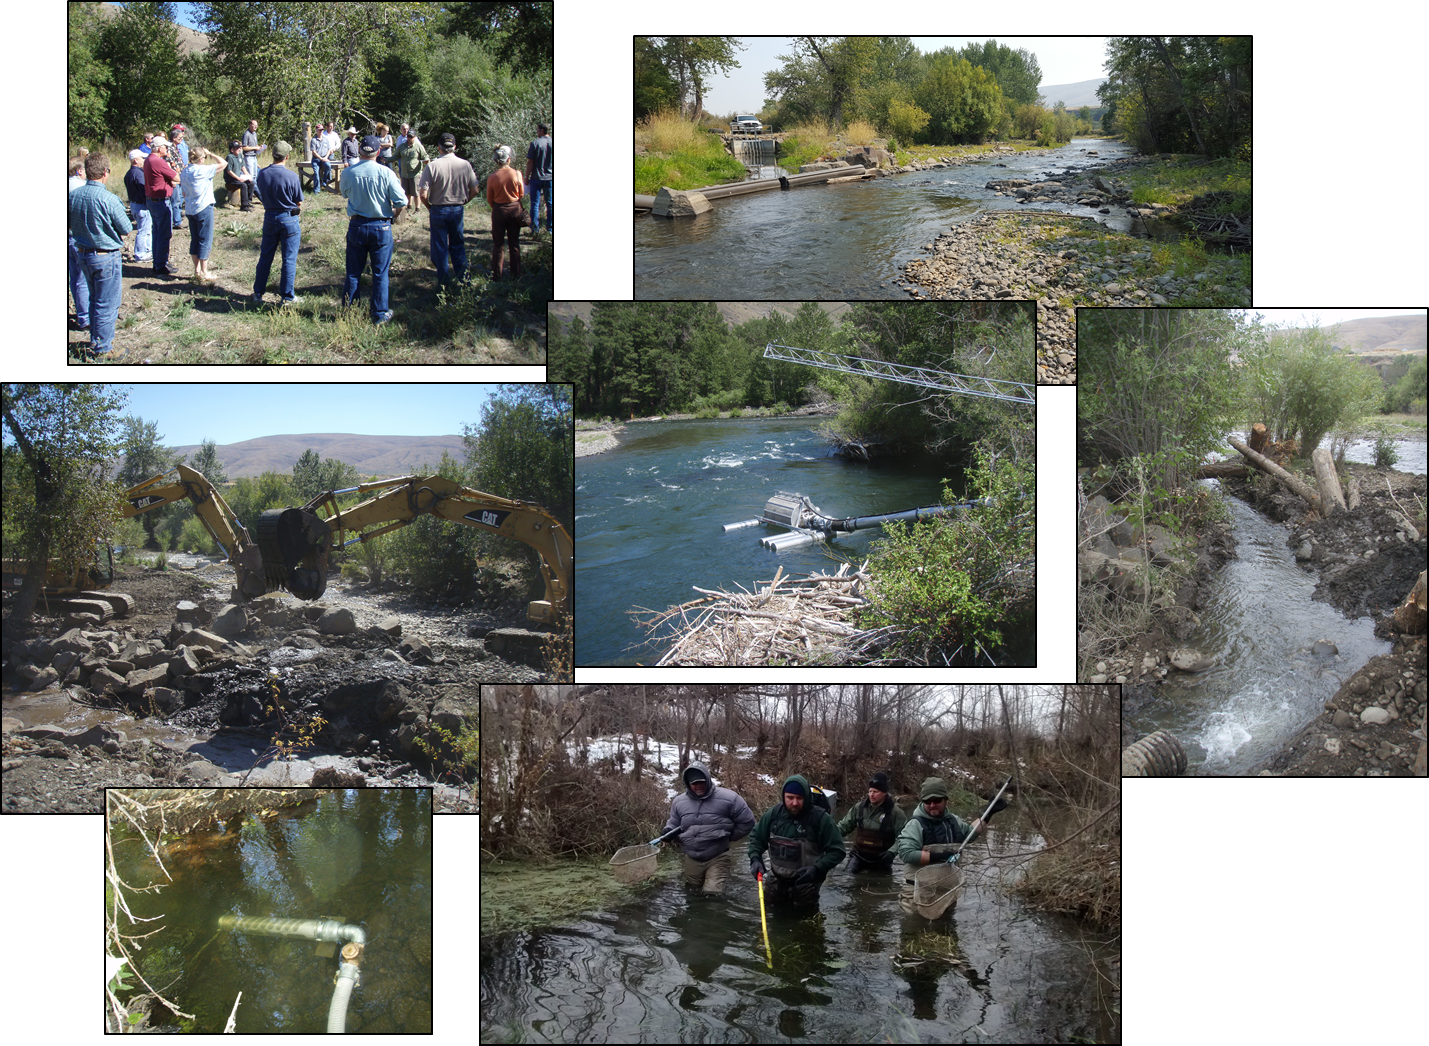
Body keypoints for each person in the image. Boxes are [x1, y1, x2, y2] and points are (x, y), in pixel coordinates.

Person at [893, 777, 1005, 916]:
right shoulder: (915, 824)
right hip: (917, 894)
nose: (932, 804)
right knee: (914, 934)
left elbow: (969, 835)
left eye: (937, 800)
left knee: (947, 932)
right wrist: (939, 856)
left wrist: (987, 815)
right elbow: (906, 854)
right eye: (928, 801)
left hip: (946, 893)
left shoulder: (953, 820)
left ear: (946, 800)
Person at [68, 152, 132, 358]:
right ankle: (103, 349)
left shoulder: (73, 196)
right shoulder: (109, 199)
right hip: (105, 255)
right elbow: (125, 228)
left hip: (83, 253)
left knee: (94, 299)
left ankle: (96, 339)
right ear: (105, 172)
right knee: (107, 302)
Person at [338, 134, 407, 325]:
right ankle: (379, 313)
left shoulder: (349, 172)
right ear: (378, 152)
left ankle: (350, 311)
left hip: (357, 225)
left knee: (353, 271)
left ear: (360, 151)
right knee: (380, 272)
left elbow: (344, 193)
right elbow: (402, 201)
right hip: (381, 226)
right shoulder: (386, 173)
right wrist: (394, 214)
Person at [748, 774, 845, 907]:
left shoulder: (821, 819)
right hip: (776, 881)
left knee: (804, 923)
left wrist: (817, 869)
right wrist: (755, 859)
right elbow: (756, 838)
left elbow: (838, 851)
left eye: (799, 798)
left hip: (807, 884)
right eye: (790, 798)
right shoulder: (773, 814)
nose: (795, 803)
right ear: (783, 797)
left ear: (806, 797)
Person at [663, 763, 756, 896]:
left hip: (718, 856)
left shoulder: (730, 798)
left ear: (707, 779)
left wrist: (729, 837)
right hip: (691, 857)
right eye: (694, 783)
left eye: (702, 782)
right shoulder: (678, 802)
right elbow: (674, 822)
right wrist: (668, 831)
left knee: (712, 894)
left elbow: (747, 822)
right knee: (692, 893)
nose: (698, 786)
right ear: (688, 784)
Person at [417, 132, 479, 290]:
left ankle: (444, 285)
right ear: (455, 147)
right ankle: (465, 282)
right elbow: (475, 190)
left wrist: (429, 207)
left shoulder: (432, 166)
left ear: (439, 148)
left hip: (438, 209)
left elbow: (423, 194)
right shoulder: (465, 165)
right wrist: (464, 201)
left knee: (440, 248)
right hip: (457, 209)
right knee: (458, 246)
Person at [252, 140, 305, 305]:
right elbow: (299, 201)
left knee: (265, 257)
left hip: (269, 217)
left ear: (273, 154)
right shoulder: (291, 176)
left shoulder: (262, 174)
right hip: (288, 219)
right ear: (287, 156)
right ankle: (287, 297)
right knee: (289, 259)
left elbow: (259, 192)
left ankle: (257, 293)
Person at [836, 771, 907, 874]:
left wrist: (892, 852)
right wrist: (827, 837)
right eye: (870, 791)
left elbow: (904, 837)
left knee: (877, 887)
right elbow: (843, 827)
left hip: (881, 859)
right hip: (858, 856)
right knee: (848, 877)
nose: (871, 795)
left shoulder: (896, 813)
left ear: (884, 793)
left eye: (876, 792)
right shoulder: (858, 808)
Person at [180, 146, 223, 283]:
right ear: (200, 159)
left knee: (195, 239)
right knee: (205, 239)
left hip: (190, 209)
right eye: (204, 157)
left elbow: (184, 193)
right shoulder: (203, 170)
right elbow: (224, 163)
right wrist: (211, 153)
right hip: (203, 207)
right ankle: (205, 271)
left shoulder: (184, 171)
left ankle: (196, 270)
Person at [143, 136, 181, 277]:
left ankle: (159, 262)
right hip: (160, 201)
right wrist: (170, 179)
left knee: (157, 233)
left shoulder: (148, 160)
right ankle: (161, 265)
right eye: (165, 147)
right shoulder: (158, 162)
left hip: (152, 200)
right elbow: (176, 177)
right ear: (160, 149)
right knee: (164, 234)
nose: (167, 149)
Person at [486, 144, 525, 280]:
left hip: (499, 210)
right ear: (508, 159)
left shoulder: (492, 177)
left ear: (496, 161)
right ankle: (516, 275)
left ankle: (497, 275)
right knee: (514, 243)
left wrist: (497, 207)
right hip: (514, 209)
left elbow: (489, 199)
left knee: (498, 244)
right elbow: (521, 194)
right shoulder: (517, 174)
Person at [123, 149, 152, 262]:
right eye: (142, 158)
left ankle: (147, 251)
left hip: (134, 204)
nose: (144, 160)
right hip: (142, 206)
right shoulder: (139, 174)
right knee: (143, 231)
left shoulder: (129, 173)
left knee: (145, 229)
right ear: (136, 160)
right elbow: (143, 191)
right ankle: (140, 254)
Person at [395, 128, 430, 217]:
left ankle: (417, 209)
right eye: (408, 136)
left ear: (415, 137)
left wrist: (428, 162)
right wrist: (386, 160)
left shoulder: (418, 146)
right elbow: (395, 156)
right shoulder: (402, 146)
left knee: (416, 192)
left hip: (415, 173)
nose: (409, 138)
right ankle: (408, 206)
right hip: (404, 173)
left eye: (411, 136)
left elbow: (425, 156)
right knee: (406, 192)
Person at [525, 122, 552, 235]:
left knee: (535, 204)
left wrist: (526, 176)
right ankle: (550, 229)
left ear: (541, 130)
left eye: (537, 130)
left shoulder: (535, 143)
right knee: (550, 203)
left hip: (536, 177)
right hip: (550, 178)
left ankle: (535, 228)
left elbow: (530, 162)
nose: (536, 132)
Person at [223, 140, 254, 211]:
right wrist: (239, 179)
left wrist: (248, 175)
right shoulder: (230, 157)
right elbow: (229, 171)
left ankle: (248, 201)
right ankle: (244, 206)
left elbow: (242, 166)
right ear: (232, 150)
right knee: (243, 185)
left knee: (251, 183)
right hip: (231, 179)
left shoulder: (239, 155)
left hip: (237, 177)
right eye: (237, 148)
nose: (239, 149)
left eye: (239, 148)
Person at [168, 125, 188, 230]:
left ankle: (177, 218)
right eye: (179, 138)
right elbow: (169, 163)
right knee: (175, 200)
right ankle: (176, 221)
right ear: (174, 138)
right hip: (174, 177)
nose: (181, 139)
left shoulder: (176, 147)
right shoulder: (170, 148)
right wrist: (172, 178)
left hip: (180, 175)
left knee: (180, 198)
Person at [241, 118, 263, 199]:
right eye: (254, 125)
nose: (255, 126)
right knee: (250, 177)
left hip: (254, 157)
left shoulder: (255, 134)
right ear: (250, 125)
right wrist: (255, 148)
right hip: (248, 157)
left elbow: (254, 146)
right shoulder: (246, 134)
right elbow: (244, 148)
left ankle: (253, 192)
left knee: (255, 176)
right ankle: (255, 194)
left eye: (256, 125)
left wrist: (259, 147)